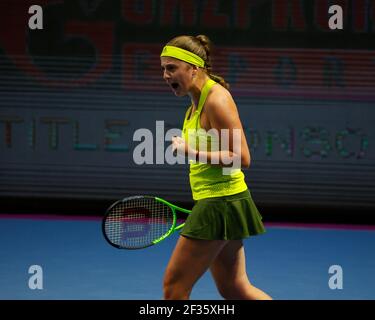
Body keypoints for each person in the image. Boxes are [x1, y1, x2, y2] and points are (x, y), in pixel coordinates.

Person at [160, 35, 272, 300]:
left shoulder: (216, 100)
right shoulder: (194, 102)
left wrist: (191, 151)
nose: (165, 75)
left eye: (172, 68)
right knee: (235, 288)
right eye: (163, 68)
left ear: (194, 68)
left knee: (174, 288)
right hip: (220, 201)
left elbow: (242, 157)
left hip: (220, 203)